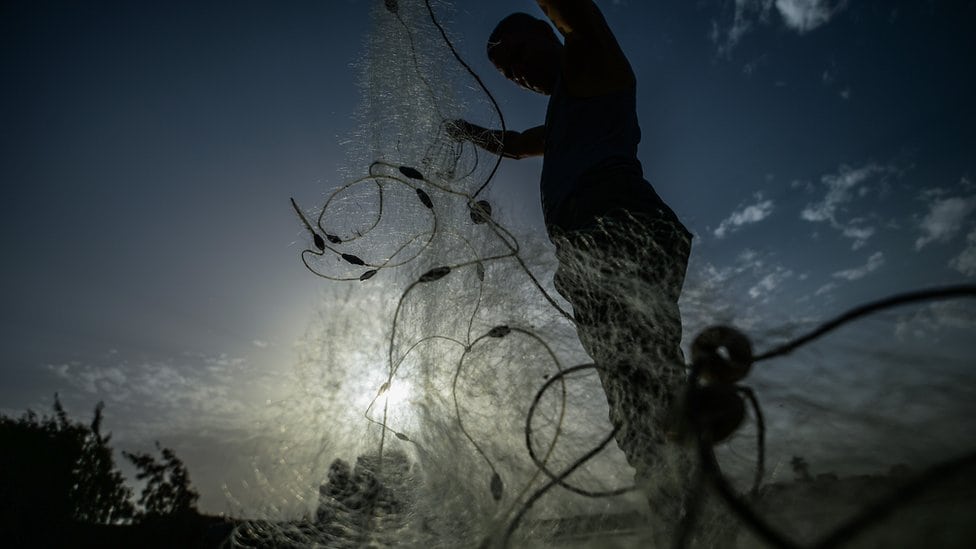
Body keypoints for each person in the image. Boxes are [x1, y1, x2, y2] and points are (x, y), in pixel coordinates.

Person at [449, 0, 693, 535]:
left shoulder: (595, 62)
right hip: (590, 254)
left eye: (517, 50)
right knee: (635, 400)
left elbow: (579, 13)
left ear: (548, 31)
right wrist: (464, 130)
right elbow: (513, 147)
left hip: (621, 230)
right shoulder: (561, 114)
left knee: (648, 390)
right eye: (503, 68)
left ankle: (696, 520)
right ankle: (681, 517)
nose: (514, 69)